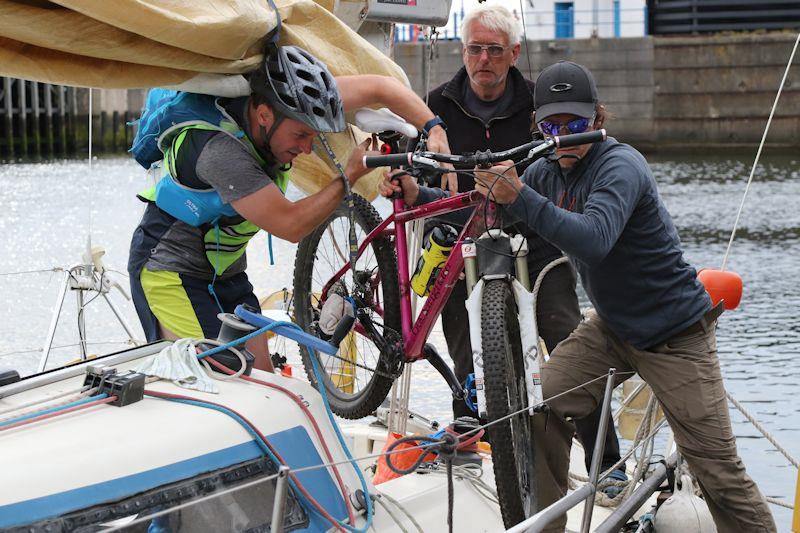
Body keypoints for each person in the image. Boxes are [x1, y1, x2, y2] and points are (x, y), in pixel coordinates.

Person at [467, 60, 775, 532]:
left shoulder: (621, 165)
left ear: (598, 118)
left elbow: (593, 238)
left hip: (676, 335)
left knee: (719, 474)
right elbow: (488, 210)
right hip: (613, 328)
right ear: (539, 126)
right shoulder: (548, 171)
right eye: (553, 125)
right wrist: (418, 191)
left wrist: (519, 197)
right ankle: (546, 528)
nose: (565, 135)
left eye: (576, 124)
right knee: (542, 407)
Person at [128, 44, 451, 372]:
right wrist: (349, 174)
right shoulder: (219, 151)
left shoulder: (300, 102)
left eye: (313, 135)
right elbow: (291, 225)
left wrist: (434, 126)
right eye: (300, 134)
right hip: (169, 270)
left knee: (265, 383)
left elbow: (381, 87)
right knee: (212, 381)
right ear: (264, 115)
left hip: (226, 272)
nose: (307, 147)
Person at [422, 3, 624, 480]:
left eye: (495, 50)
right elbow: (423, 168)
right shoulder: (436, 104)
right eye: (475, 49)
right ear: (463, 50)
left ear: (514, 53)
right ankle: (479, 447)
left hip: (536, 242)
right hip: (462, 243)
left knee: (569, 340)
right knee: (466, 347)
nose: (483, 59)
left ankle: (607, 462)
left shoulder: (540, 103)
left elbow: (565, 165)